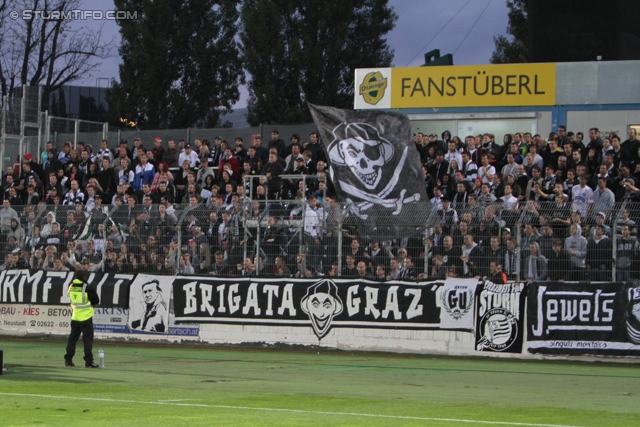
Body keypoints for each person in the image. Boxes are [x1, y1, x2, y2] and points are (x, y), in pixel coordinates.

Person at [64, 270, 100, 368]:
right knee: (87, 340)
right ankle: (88, 361)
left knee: (72, 339)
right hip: (86, 317)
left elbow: (69, 297)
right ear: (84, 277)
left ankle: (68, 360)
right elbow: (96, 300)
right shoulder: (87, 287)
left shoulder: (71, 286)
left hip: (75, 316)